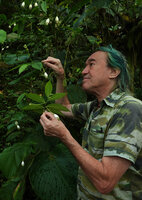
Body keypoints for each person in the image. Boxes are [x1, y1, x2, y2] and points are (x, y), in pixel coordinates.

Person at [40, 46, 142, 200]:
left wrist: (64, 136)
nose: (83, 71)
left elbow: (105, 182)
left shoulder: (129, 108)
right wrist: (61, 76)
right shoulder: (97, 106)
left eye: (91, 64)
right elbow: (62, 108)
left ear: (113, 72)